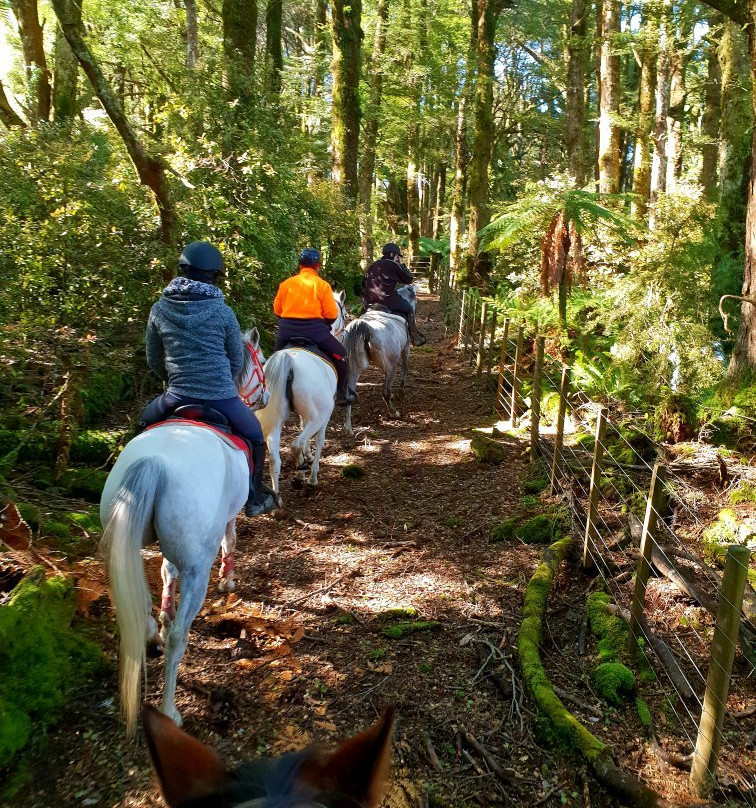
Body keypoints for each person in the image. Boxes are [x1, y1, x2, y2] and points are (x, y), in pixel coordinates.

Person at [139, 241, 277, 517]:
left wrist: (174, 378)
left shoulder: (159, 309)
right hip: (221, 397)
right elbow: (237, 361)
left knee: (142, 425)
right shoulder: (223, 312)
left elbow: (153, 358)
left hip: (175, 396)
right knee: (255, 437)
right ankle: (255, 497)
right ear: (214, 275)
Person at [273, 248, 356, 405]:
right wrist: (324, 325)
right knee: (343, 357)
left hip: (286, 332)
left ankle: (267, 391)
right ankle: (342, 394)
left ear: (300, 265)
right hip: (315, 332)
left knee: (272, 362)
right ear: (317, 266)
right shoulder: (322, 285)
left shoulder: (286, 284)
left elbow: (277, 310)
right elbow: (332, 314)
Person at [363, 243, 427, 346]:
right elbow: (408, 280)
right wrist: (401, 265)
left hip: (369, 300)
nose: (398, 258)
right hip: (388, 299)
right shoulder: (393, 265)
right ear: (393, 255)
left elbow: (364, 283)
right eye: (398, 256)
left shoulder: (373, 265)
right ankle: (414, 337)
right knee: (409, 309)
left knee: (362, 314)